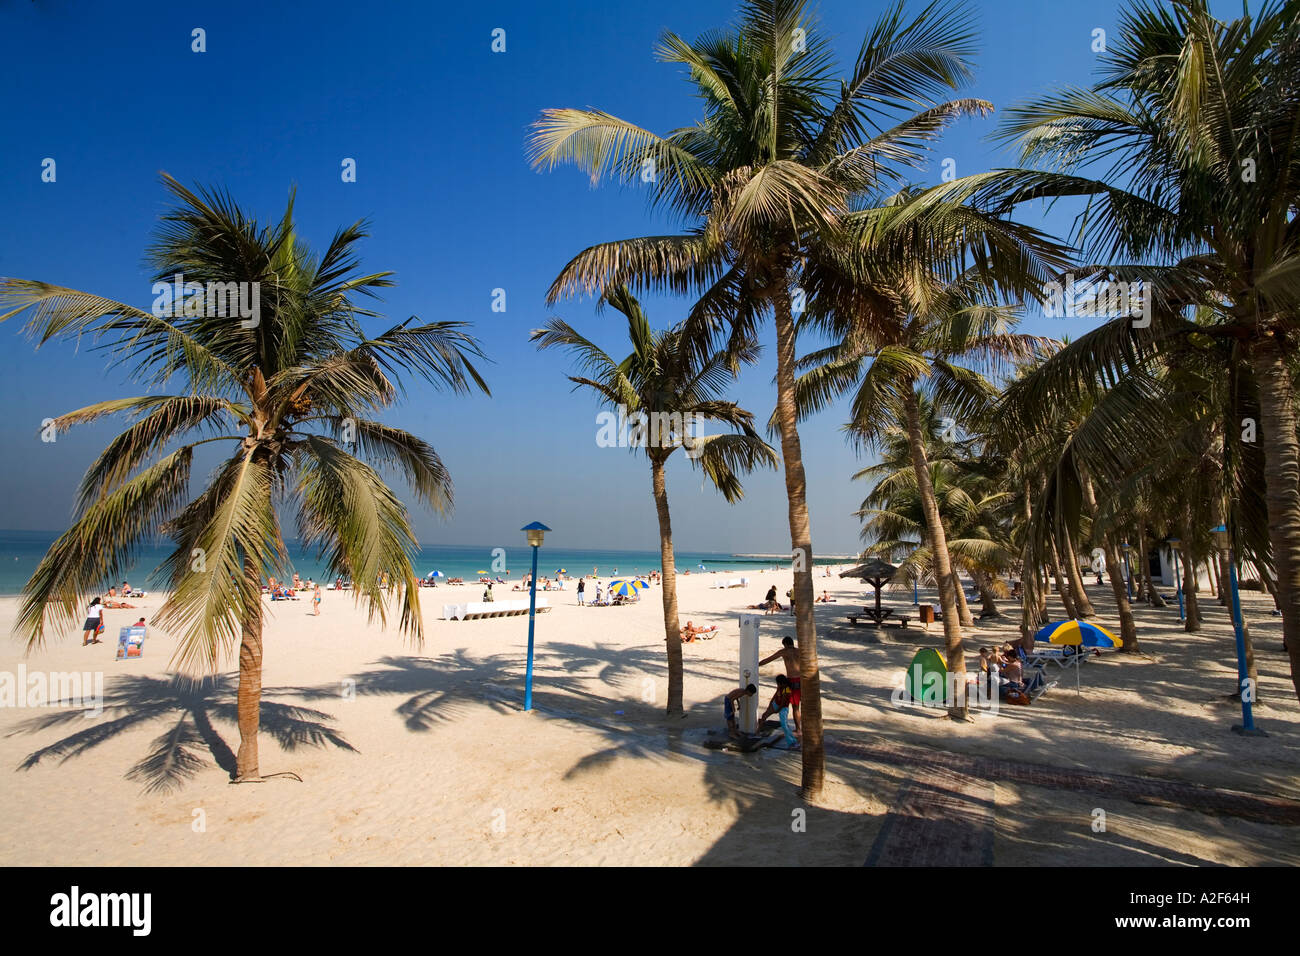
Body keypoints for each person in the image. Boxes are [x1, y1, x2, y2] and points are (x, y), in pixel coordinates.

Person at [759, 636, 801, 731]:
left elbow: (769, 659)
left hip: (791, 681)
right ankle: (798, 728)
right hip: (800, 680)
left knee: (780, 702)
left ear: (785, 644)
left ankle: (795, 729)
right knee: (796, 707)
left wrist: (756, 664)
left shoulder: (784, 651)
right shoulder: (799, 651)